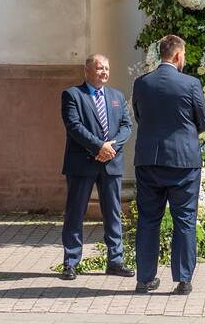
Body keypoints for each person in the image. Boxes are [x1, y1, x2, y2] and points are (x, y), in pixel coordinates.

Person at [131, 35, 205, 295]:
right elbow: (203, 122)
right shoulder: (190, 84)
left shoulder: (141, 83)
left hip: (149, 161)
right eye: (183, 54)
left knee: (148, 220)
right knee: (185, 220)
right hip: (183, 162)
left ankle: (144, 279)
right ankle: (183, 280)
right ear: (177, 55)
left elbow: (140, 117)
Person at [59, 54, 134, 280]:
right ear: (87, 70)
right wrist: (98, 146)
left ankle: (115, 260)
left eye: (107, 69)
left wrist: (111, 147)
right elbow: (74, 126)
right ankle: (71, 262)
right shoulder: (72, 95)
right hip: (82, 164)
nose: (104, 72)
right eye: (100, 68)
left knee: (113, 213)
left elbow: (126, 126)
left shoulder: (116, 96)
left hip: (111, 163)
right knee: (75, 212)